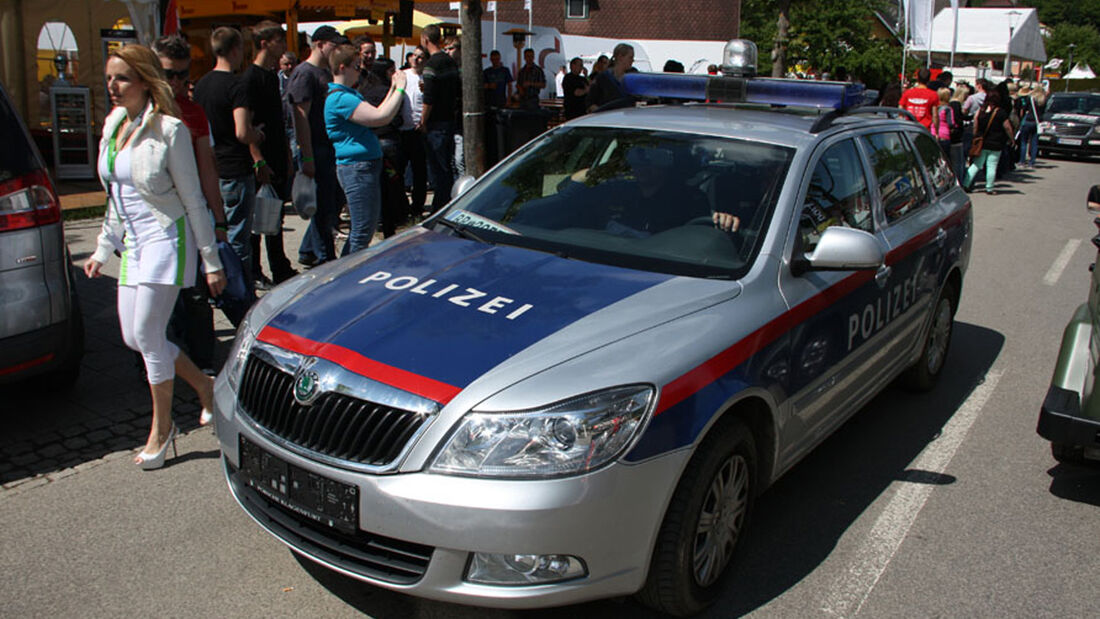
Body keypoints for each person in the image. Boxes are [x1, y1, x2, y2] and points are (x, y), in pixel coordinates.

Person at [86, 44, 226, 469]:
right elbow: (116, 197)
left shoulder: (170, 129)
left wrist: (211, 259)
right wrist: (102, 247)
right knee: (134, 337)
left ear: (146, 82)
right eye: (110, 77)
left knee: (148, 334)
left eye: (122, 78)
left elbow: (193, 198)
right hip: (134, 245)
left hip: (168, 239)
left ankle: (163, 430)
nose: (113, 86)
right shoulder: (113, 124)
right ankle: (203, 385)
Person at [152, 35, 229, 375]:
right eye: (169, 74)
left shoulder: (193, 112)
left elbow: (207, 170)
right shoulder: (131, 113)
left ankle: (201, 363)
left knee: (197, 296)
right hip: (150, 225)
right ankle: (155, 362)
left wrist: (219, 219)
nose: (177, 83)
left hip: (189, 217)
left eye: (183, 75)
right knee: (156, 299)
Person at [192, 26, 264, 317]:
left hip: (209, 166)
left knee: (213, 235)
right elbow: (241, 131)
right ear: (235, 49)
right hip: (234, 168)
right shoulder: (236, 86)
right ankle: (239, 296)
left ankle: (216, 289)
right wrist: (257, 135)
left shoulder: (201, 85)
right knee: (237, 239)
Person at [325, 44, 406, 255]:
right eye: (356, 67)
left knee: (364, 229)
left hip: (362, 166)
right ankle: (344, 276)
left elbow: (379, 113)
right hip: (357, 168)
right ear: (342, 68)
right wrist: (399, 88)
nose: (359, 71)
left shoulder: (347, 95)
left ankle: (346, 274)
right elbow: (381, 118)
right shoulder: (340, 98)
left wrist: (393, 88)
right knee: (361, 231)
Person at [286, 25, 349, 266]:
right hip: (316, 149)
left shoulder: (323, 72)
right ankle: (324, 259)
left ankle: (308, 250)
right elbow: (300, 117)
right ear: (320, 44)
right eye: (334, 45)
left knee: (330, 205)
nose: (337, 49)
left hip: (328, 148)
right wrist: (307, 156)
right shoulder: (305, 73)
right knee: (322, 209)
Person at [243, 21, 296, 289]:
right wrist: (257, 160)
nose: (284, 45)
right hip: (260, 160)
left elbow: (278, 122)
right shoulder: (251, 78)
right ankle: (253, 269)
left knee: (275, 215)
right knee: (258, 220)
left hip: (277, 154)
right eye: (279, 40)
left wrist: (286, 155)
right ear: (264, 43)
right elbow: (247, 125)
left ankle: (280, 267)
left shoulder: (271, 76)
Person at [360, 58, 410, 238]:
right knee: (392, 185)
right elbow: (393, 117)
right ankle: (391, 222)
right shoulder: (389, 93)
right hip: (388, 143)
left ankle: (383, 221)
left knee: (378, 187)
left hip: (372, 144)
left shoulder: (365, 91)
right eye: (392, 71)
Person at [418, 24, 460, 213]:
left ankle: (439, 208)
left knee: (437, 169)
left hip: (435, 123)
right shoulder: (450, 62)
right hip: (450, 119)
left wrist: (423, 121)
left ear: (425, 40)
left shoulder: (431, 64)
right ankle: (448, 203)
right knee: (447, 167)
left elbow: (429, 99)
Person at [963, 90, 1015, 195]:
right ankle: (990, 188)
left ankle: (966, 184)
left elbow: (975, 124)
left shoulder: (981, 111)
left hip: (982, 142)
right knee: (992, 165)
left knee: (976, 165)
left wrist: (976, 136)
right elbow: (1007, 127)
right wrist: (1012, 139)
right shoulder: (1001, 112)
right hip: (996, 143)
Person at [398, 46, 428, 216]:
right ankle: (401, 205)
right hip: (402, 129)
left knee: (419, 172)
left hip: (419, 130)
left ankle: (417, 207)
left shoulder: (427, 78)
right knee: (399, 171)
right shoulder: (403, 75)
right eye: (415, 56)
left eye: (421, 57)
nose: (417, 60)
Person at [587, 43, 634, 112]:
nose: (632, 60)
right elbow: (590, 102)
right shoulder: (603, 78)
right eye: (630, 57)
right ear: (620, 57)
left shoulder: (633, 76)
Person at [1016, 83, 1046, 168]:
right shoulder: (1043, 100)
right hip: (1037, 122)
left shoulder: (1031, 98)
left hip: (1028, 120)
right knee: (1034, 143)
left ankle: (1022, 161)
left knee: (1024, 142)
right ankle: (1032, 162)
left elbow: (1025, 109)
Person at [930, 87, 955, 158]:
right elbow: (951, 123)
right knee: (945, 158)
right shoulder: (948, 109)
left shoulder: (933, 107)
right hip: (944, 135)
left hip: (932, 133)